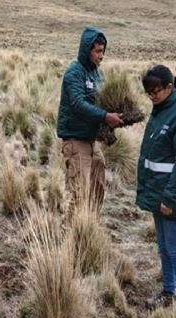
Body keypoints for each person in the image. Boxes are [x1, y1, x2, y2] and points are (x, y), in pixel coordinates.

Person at [137, 65, 176, 308]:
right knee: (163, 247)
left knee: (175, 249)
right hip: (158, 192)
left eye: (155, 92)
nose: (151, 96)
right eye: (148, 93)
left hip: (173, 197)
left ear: (169, 87)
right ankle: (169, 291)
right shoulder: (160, 110)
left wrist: (169, 198)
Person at [56, 27, 123, 216]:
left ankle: (89, 228)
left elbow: (102, 103)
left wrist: (116, 115)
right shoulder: (74, 73)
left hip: (93, 141)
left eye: (103, 51)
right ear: (87, 51)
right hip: (76, 140)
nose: (102, 56)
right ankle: (72, 234)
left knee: (98, 188)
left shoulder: (98, 74)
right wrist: (105, 116)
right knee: (80, 192)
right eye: (98, 51)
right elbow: (78, 104)